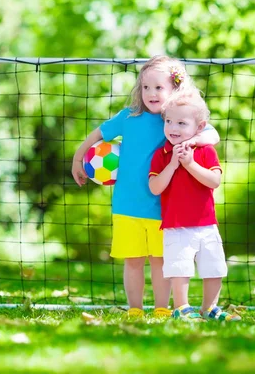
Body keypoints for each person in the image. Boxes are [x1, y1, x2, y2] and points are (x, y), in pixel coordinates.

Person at [71, 56, 220, 318]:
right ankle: (135, 310)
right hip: (127, 206)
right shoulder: (128, 117)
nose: (151, 93)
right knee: (133, 262)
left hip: (163, 207)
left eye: (159, 87)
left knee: (161, 262)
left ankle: (162, 309)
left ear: (175, 89)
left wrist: (193, 141)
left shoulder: (174, 121)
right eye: (146, 87)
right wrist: (77, 156)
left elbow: (212, 134)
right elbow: (98, 133)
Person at [148, 89, 241, 322]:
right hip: (176, 225)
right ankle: (182, 307)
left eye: (181, 122)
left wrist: (189, 164)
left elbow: (214, 181)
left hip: (206, 224)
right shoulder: (161, 154)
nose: (173, 128)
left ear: (200, 127)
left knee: (214, 267)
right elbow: (155, 188)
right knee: (179, 269)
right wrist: (172, 165)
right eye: (169, 121)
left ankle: (209, 308)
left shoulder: (206, 151)